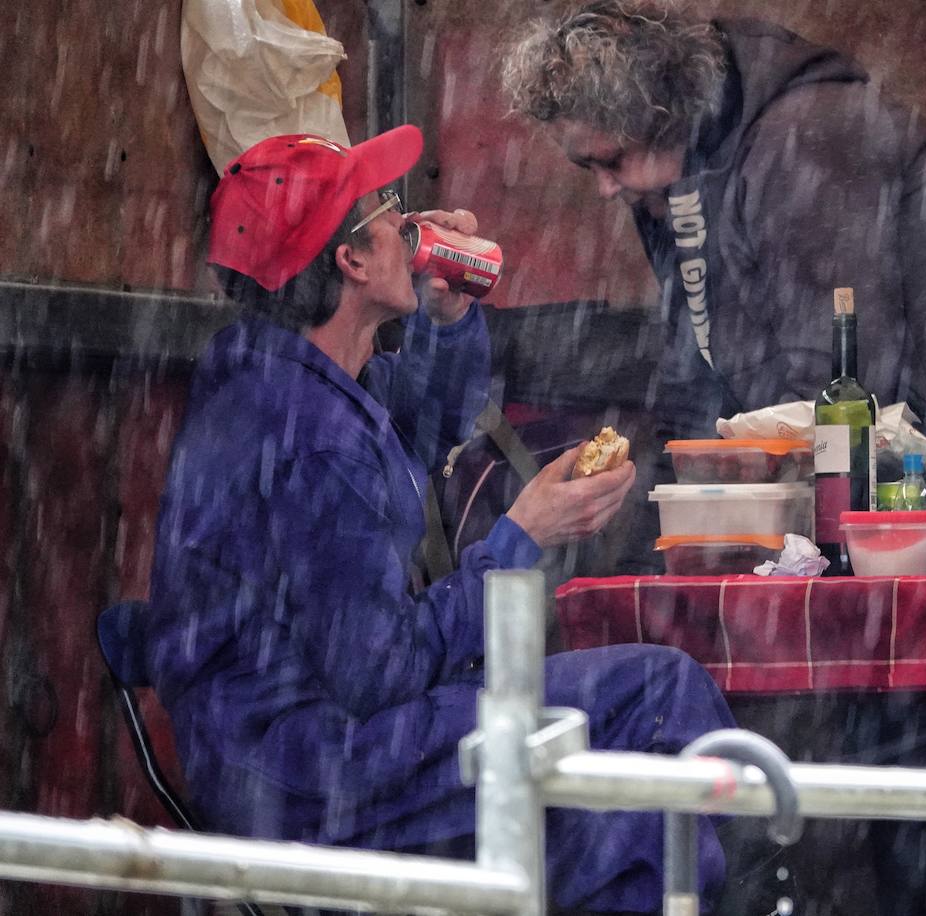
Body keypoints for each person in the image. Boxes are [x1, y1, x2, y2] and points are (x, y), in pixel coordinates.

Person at [141, 126, 735, 914]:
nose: (408, 223)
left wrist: (446, 317)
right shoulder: (306, 439)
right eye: (386, 210)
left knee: (621, 800)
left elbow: (415, 425)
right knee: (656, 699)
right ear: (351, 261)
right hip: (316, 776)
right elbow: (380, 672)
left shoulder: (282, 379)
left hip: (278, 753)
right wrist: (523, 536)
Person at [502, 0, 926, 496]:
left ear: (664, 119)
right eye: (589, 169)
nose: (605, 188)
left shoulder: (805, 138)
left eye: (612, 161)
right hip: (919, 482)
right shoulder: (669, 185)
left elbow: (839, 384)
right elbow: (693, 384)